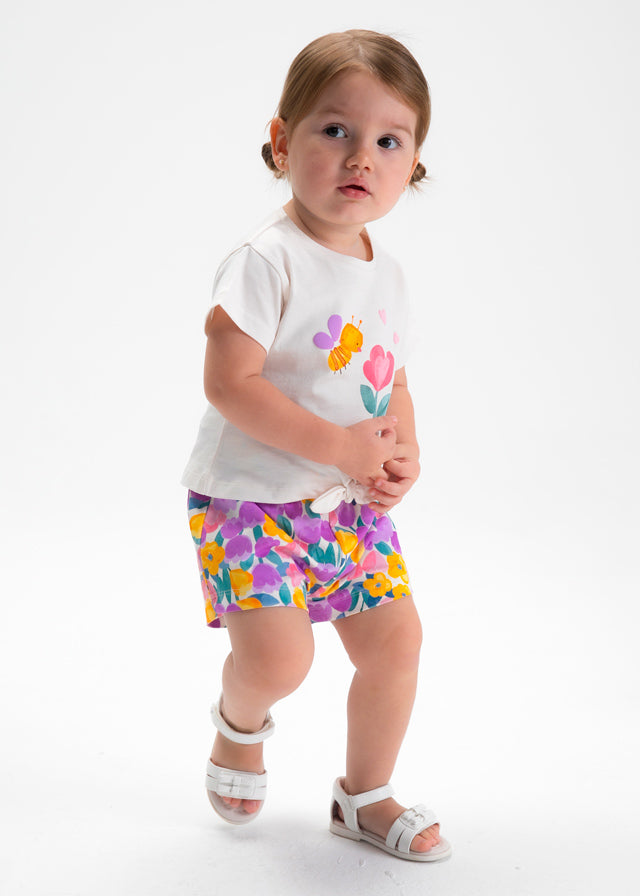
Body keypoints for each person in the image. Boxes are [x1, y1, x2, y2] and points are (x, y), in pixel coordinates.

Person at [182, 29, 451, 862]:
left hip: (347, 505)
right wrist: (338, 445)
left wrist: (402, 451)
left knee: (397, 644)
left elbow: (390, 379)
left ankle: (364, 794)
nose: (360, 156)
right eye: (335, 130)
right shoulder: (266, 260)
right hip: (252, 503)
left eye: (388, 141)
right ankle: (240, 724)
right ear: (281, 140)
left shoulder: (386, 273)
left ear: (413, 163)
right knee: (279, 659)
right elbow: (230, 383)